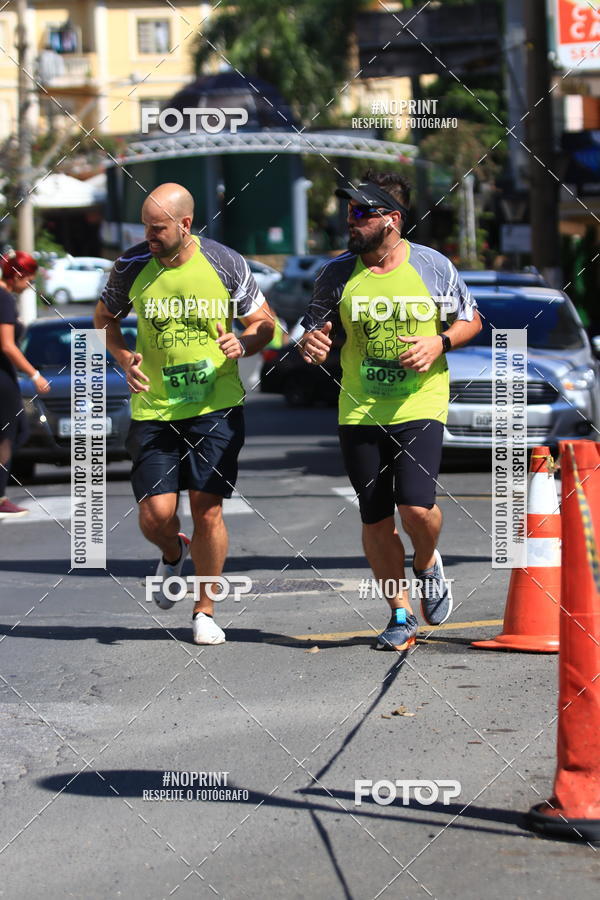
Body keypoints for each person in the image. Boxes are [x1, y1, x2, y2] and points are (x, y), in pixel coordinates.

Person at [300, 170, 482, 651]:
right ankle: (400, 614)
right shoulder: (336, 274)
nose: (351, 221)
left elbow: (471, 320)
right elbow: (313, 334)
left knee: (417, 508)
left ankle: (426, 561)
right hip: (359, 409)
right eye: (349, 212)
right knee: (376, 517)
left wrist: (438, 342)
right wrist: (312, 345)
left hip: (419, 401)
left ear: (392, 220)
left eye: (362, 212)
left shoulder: (432, 267)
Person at [94, 183, 274, 645]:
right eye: (145, 228)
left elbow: (265, 323)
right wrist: (121, 354)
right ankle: (174, 550)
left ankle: (205, 610)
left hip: (215, 406)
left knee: (207, 508)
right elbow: (104, 318)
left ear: (185, 224)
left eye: (157, 229)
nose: (149, 237)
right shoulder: (132, 265)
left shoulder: (225, 262)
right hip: (154, 408)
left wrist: (245, 342)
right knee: (155, 514)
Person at [0, 251, 51, 519]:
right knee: (11, 433)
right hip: (3, 378)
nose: (30, 284)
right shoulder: (5, 298)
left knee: (13, 432)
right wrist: (34, 374)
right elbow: (7, 345)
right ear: (18, 275)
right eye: (29, 278)